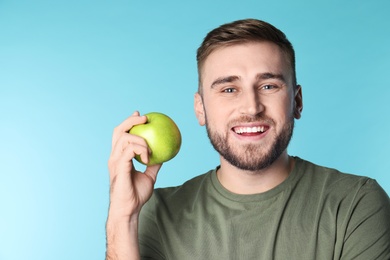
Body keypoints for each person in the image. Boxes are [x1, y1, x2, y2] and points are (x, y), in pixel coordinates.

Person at [105, 19, 390, 259]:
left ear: (297, 101)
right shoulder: (155, 213)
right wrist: (123, 217)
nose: (252, 107)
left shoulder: (355, 203)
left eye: (268, 86)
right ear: (200, 108)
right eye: (229, 89)